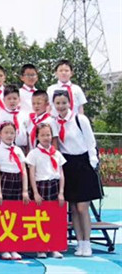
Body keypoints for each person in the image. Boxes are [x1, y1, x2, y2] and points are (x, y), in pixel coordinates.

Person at [52, 89, 100, 257]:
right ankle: (79, 243)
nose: (61, 106)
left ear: (70, 103)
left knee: (82, 207)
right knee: (73, 207)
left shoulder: (80, 119)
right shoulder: (54, 122)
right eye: (57, 103)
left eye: (64, 103)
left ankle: (87, 242)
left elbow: (90, 141)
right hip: (67, 164)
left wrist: (92, 161)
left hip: (83, 163)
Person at [27, 122, 65, 259]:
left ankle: (54, 247)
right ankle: (40, 247)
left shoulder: (57, 154)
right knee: (39, 219)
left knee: (54, 218)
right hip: (41, 186)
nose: (46, 138)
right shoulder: (33, 154)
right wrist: (35, 193)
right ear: (37, 137)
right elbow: (32, 174)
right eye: (42, 135)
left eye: (48, 135)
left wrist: (61, 192)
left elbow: (61, 174)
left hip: (54, 185)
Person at [0, 122, 29, 260]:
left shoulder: (18, 150)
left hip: (17, 182)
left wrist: (25, 190)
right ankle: (3, 248)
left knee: (15, 215)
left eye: (12, 133)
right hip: (4, 180)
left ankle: (14, 246)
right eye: (6, 133)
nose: (9, 135)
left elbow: (24, 170)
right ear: (0, 134)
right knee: (3, 216)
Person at [0, 85, 29, 149]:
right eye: (9, 98)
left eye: (15, 98)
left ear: (19, 99)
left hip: (22, 147)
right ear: (4, 100)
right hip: (4, 148)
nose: (12, 101)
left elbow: (28, 133)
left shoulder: (24, 115)